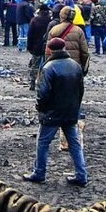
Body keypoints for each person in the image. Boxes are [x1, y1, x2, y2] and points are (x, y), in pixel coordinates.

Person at [23, 37, 87, 186]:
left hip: (52, 113)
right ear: (64, 48)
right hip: (71, 111)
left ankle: (39, 173)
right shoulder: (75, 66)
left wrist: (40, 108)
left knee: (43, 142)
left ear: (50, 50)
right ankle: (81, 175)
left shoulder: (48, 67)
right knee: (74, 143)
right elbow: (80, 90)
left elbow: (43, 92)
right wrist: (75, 107)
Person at [47, 5, 90, 74]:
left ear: (61, 15)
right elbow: (84, 51)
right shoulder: (79, 31)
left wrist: (48, 65)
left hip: (57, 66)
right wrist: (84, 67)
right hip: (75, 66)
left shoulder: (54, 30)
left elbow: (48, 50)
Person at [26, 3, 51, 90]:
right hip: (47, 46)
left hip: (36, 46)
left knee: (35, 65)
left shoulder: (34, 20)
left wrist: (29, 47)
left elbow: (30, 35)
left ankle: (32, 82)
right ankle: (44, 83)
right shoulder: (50, 21)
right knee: (46, 65)